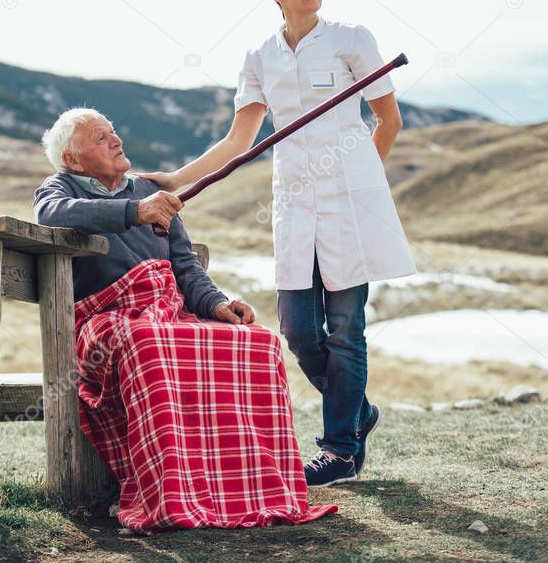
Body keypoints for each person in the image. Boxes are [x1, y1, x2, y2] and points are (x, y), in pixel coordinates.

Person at [138, 0, 416, 488]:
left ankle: (338, 450)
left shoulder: (352, 39)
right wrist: (176, 180)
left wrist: (361, 181)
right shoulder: (260, 55)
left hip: (350, 205)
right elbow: (239, 140)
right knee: (297, 329)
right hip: (294, 205)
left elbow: (389, 119)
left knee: (345, 330)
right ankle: (357, 413)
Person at [34, 107, 335, 533]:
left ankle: (249, 489)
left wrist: (217, 305)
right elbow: (53, 216)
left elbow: (186, 269)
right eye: (102, 139)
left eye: (113, 131)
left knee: (257, 342)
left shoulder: (146, 191)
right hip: (106, 320)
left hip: (165, 313)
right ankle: (172, 493)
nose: (117, 140)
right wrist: (134, 212)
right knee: (150, 343)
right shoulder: (58, 189)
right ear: (73, 159)